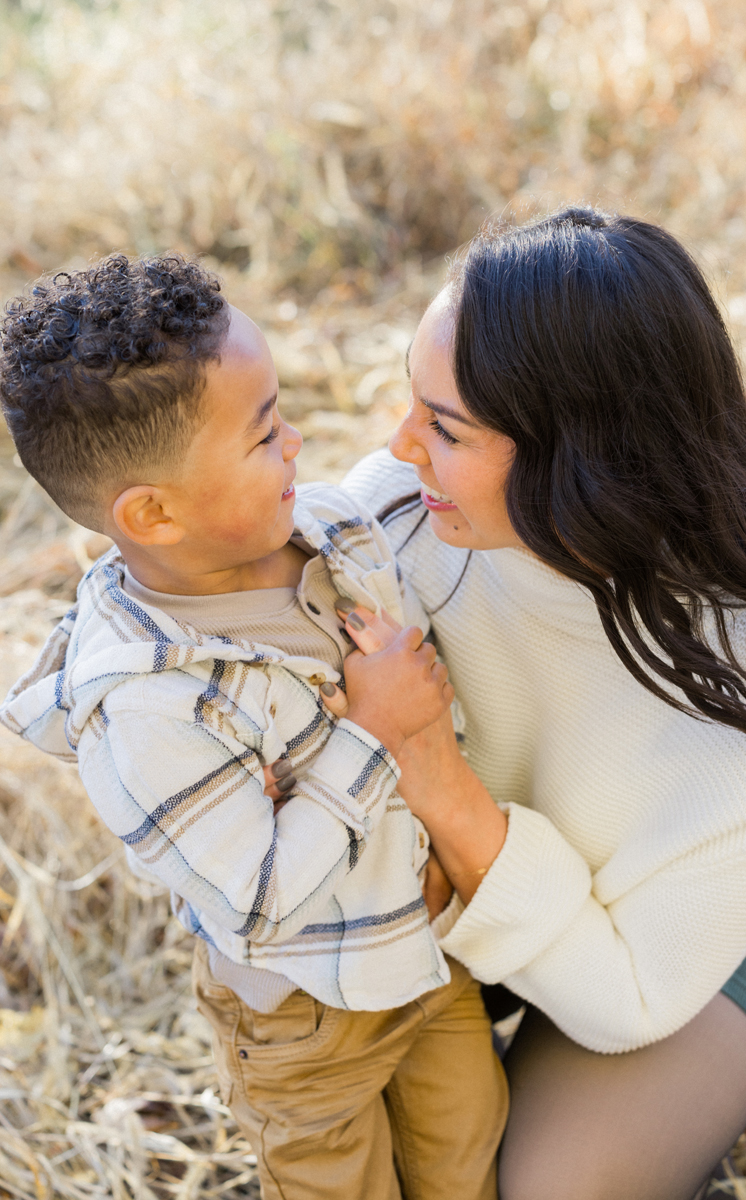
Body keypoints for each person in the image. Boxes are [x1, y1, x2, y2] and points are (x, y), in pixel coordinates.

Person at [342, 207, 746, 1200]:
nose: (399, 446)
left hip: (686, 933)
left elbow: (625, 997)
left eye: (446, 426)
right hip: (483, 887)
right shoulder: (402, 511)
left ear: (580, 457)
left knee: (543, 1192)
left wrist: (428, 766)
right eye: (410, 403)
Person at [0, 255, 507, 1200]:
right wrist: (373, 737)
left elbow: (430, 682)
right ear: (153, 512)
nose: (298, 442)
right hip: (305, 1022)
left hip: (429, 954)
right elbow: (263, 898)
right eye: (265, 431)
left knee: (468, 1163)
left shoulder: (333, 535)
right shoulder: (147, 706)